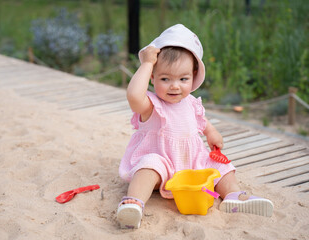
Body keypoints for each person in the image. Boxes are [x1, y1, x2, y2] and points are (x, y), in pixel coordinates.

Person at [117, 24, 274, 229]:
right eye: (165, 79)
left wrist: (211, 132)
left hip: (192, 164)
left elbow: (201, 122)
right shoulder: (151, 105)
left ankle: (234, 195)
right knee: (149, 165)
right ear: (152, 78)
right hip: (162, 162)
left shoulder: (191, 103)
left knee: (221, 166)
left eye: (183, 79)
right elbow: (133, 96)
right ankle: (135, 203)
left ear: (193, 76)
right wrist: (147, 63)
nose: (175, 85)